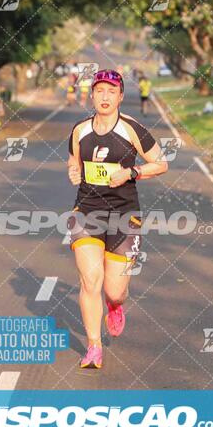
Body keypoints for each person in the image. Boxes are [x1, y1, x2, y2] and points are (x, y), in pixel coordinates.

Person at [67, 69, 168, 369]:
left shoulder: (132, 130)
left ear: (121, 96)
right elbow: (74, 160)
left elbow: (161, 164)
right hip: (86, 212)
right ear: (92, 95)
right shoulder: (80, 130)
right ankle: (94, 347)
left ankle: (115, 305)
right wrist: (73, 171)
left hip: (125, 216)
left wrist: (131, 172)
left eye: (111, 91)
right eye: (100, 91)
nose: (105, 96)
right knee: (90, 281)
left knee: (114, 290)